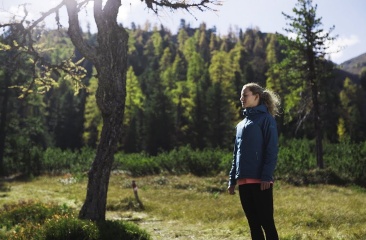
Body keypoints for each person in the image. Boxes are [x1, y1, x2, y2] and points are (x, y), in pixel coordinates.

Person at [228, 82, 280, 240]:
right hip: (243, 181)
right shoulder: (240, 125)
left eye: (245, 95)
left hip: (260, 180)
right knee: (253, 224)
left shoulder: (266, 119)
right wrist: (232, 179)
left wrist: (266, 176)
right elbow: (236, 153)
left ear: (256, 97)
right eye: (241, 95)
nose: (241, 98)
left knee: (267, 223)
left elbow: (272, 150)